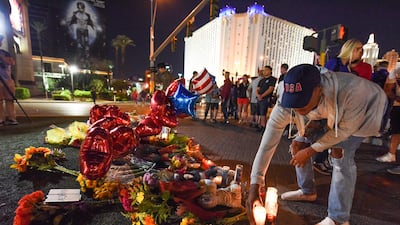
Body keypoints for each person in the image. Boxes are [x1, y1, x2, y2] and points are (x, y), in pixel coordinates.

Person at [246, 64, 388, 225]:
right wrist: (255, 183)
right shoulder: (287, 102)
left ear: (318, 89)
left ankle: (338, 218)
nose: (297, 108)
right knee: (298, 145)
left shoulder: (352, 92)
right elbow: (267, 144)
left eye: (302, 102)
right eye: (294, 103)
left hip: (366, 112)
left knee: (340, 153)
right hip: (324, 115)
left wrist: (310, 151)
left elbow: (343, 132)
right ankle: (307, 191)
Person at [313, 39, 373, 175]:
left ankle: (332, 162)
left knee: (340, 139)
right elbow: (324, 81)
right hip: (331, 105)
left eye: (362, 49)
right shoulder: (334, 62)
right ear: (349, 49)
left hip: (350, 107)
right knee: (328, 133)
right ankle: (321, 160)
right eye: (358, 48)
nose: (361, 51)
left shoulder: (365, 67)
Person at [376, 67, 400, 171]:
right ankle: (391, 154)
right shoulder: (396, 71)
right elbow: (388, 89)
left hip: (397, 105)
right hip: (398, 106)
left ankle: (392, 154)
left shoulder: (396, 71)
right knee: (396, 131)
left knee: (396, 130)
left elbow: (387, 89)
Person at [68, 1, 95, 68]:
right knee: (79, 45)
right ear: (78, 8)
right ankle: (79, 60)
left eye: (82, 8)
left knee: (86, 46)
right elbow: (71, 21)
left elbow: (91, 22)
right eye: (79, 8)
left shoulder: (87, 15)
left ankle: (86, 60)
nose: (81, 9)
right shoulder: (75, 14)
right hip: (79, 30)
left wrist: (93, 27)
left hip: (85, 30)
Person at [0, 34, 18, 126]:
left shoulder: (5, 53)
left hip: (7, 80)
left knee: (9, 100)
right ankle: (1, 119)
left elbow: (11, 62)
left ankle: (12, 118)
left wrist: (2, 57)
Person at [256, 65, 276, 132]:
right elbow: (257, 89)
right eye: (264, 70)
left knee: (263, 113)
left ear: (270, 71)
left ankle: (264, 126)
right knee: (259, 113)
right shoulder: (261, 80)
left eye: (266, 70)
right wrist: (258, 95)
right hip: (259, 98)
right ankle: (260, 126)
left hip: (265, 98)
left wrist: (262, 96)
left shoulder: (272, 79)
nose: (264, 71)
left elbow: (270, 89)